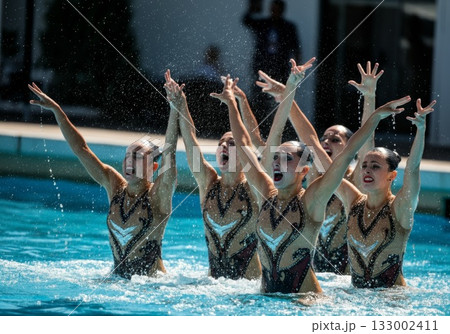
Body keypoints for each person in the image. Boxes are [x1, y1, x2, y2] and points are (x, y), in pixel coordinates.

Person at [211, 58, 410, 296]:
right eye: (276, 159)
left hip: (305, 302)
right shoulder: (266, 193)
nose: (276, 163)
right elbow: (244, 145)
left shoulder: (316, 197)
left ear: (303, 170)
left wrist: (374, 114)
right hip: (265, 298)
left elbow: (348, 154)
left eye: (286, 160)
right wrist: (233, 102)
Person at [28, 82, 179, 279]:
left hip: (151, 288)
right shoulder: (115, 186)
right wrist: (58, 111)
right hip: (116, 281)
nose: (128, 162)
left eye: (137, 156)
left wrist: (175, 109)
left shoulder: (158, 195)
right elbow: (81, 150)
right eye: (127, 156)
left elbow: (169, 155)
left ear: (154, 167)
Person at [163, 70, 261, 280]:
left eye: (231, 143)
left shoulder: (254, 187)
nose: (224, 145)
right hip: (213, 286)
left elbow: (249, 142)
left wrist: (237, 103)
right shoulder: (208, 183)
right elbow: (190, 140)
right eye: (221, 143)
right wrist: (181, 103)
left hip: (250, 289)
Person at [345, 98, 436, 288]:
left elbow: (413, 169)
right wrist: (373, 108)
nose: (367, 170)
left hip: (392, 300)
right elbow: (343, 158)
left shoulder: (400, 207)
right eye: (364, 166)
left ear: (391, 175)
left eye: (375, 166)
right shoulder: (353, 202)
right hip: (355, 297)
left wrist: (420, 130)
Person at [243, 0, 301, 136]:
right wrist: (253, 7)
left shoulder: (288, 27)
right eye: (272, 9)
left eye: (276, 9)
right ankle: (257, 130)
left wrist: (296, 69)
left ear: (282, 11)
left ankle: (281, 131)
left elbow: (296, 48)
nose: (274, 12)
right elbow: (246, 20)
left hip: (280, 69)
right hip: (262, 68)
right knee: (259, 98)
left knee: (282, 99)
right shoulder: (263, 23)